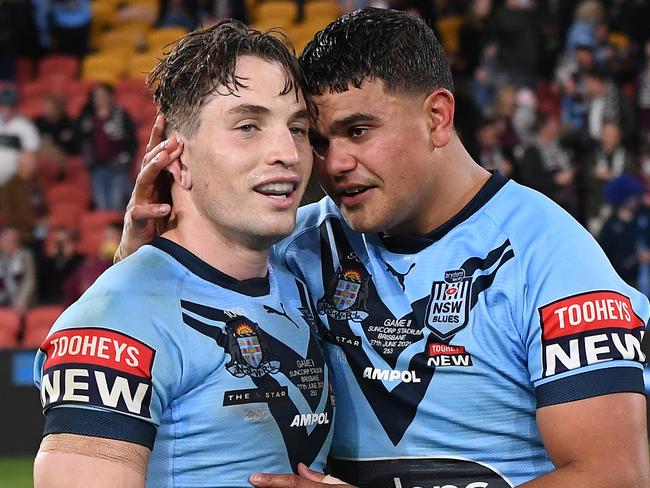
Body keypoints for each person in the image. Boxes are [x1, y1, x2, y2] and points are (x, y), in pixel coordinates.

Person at [118, 8, 649, 488]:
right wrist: (144, 257)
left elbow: (613, 475)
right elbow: (166, 328)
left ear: (437, 118)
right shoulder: (294, 245)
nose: (334, 164)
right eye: (319, 140)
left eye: (359, 130)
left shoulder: (551, 258)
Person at [33, 20, 333, 487]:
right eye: (248, 126)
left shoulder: (302, 278)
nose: (288, 152)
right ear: (178, 159)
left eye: (296, 128)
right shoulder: (114, 322)